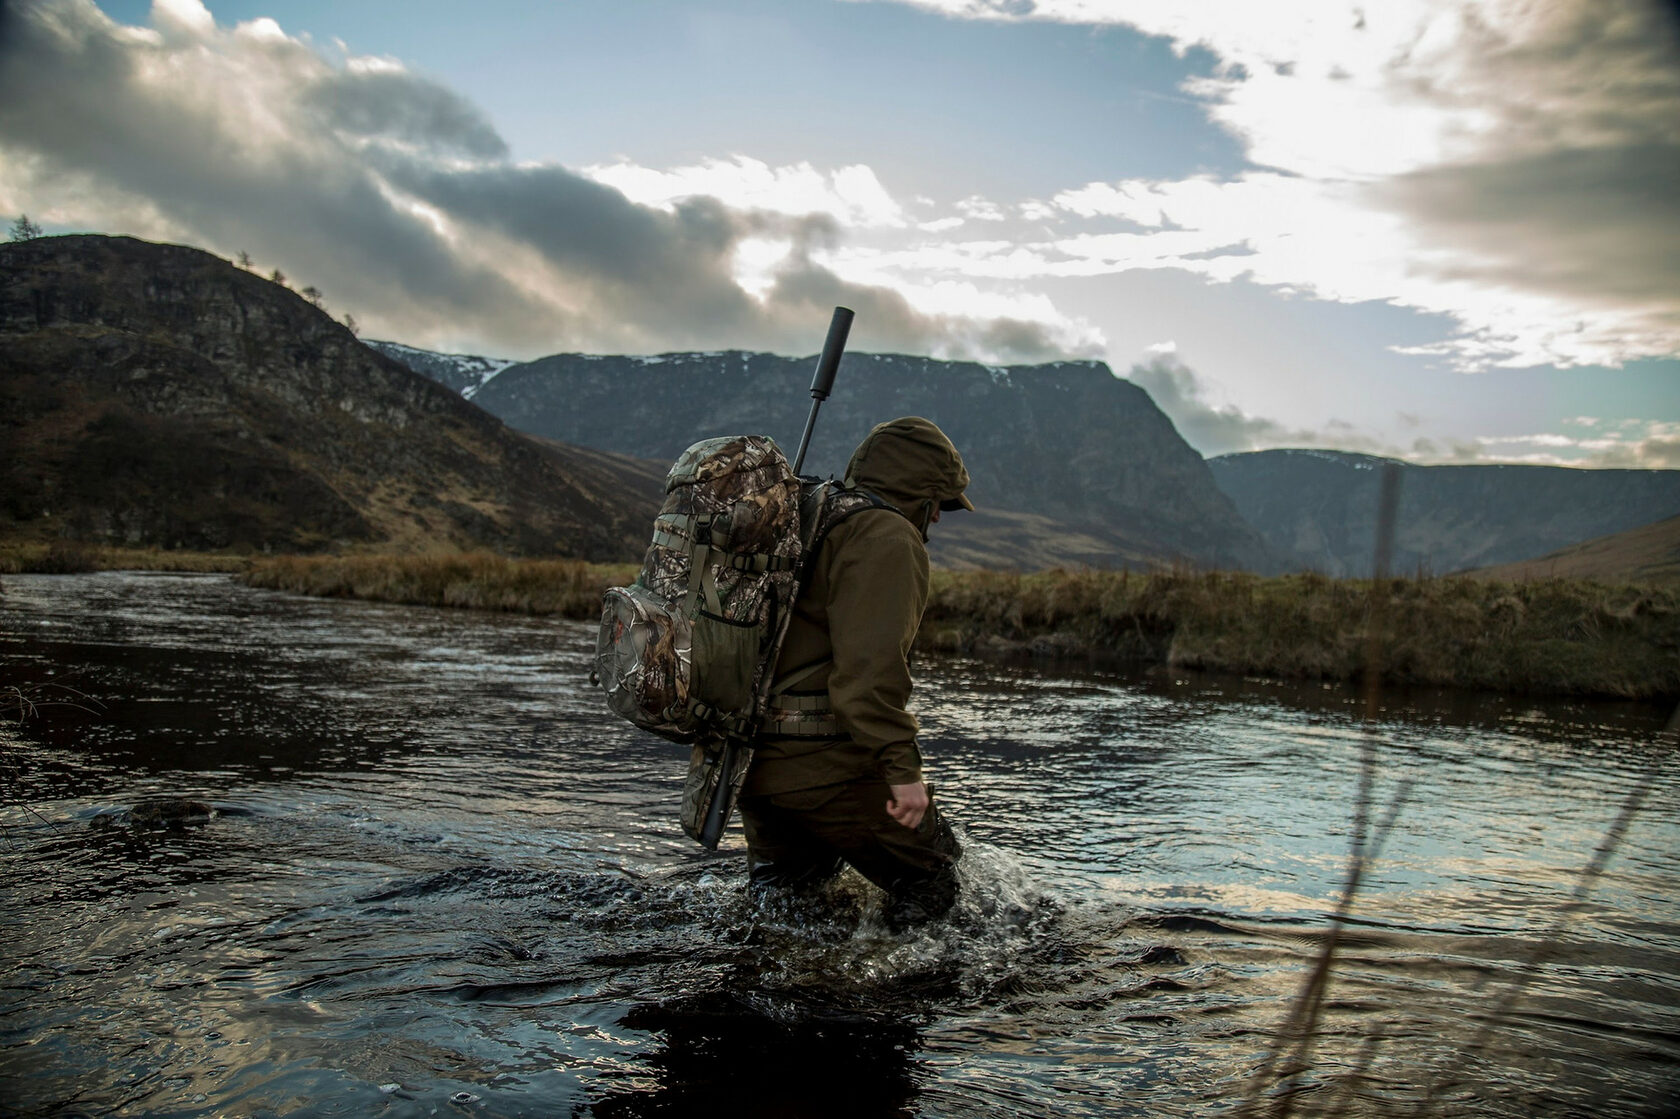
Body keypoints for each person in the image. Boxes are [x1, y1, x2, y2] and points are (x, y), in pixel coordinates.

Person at [739, 416, 972, 931]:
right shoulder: (887, 535)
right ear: (924, 496)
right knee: (934, 881)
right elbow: (869, 678)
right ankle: (904, 1000)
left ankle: (770, 998)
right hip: (827, 767)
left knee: (790, 908)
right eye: (939, 504)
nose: (935, 519)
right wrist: (904, 774)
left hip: (748, 766)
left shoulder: (805, 513)